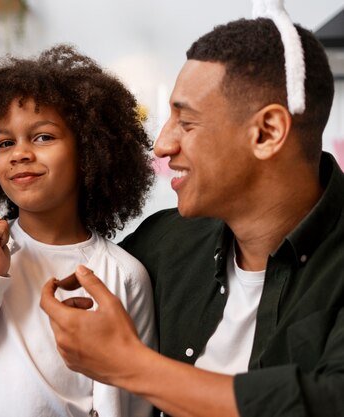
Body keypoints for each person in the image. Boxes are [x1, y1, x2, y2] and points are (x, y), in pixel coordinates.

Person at [40, 8, 341, 417]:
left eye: (186, 121)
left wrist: (128, 366)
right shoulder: (164, 243)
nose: (162, 144)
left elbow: (324, 401)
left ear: (267, 132)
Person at [0, 45, 157, 417]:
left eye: (42, 137)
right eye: (5, 142)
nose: (20, 154)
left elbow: (135, 403)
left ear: (89, 150)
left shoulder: (123, 276)